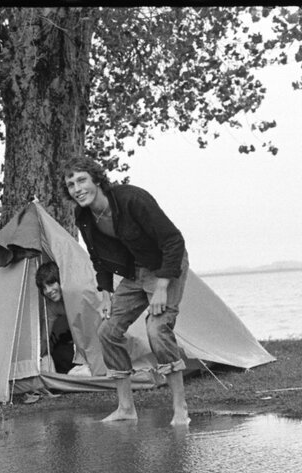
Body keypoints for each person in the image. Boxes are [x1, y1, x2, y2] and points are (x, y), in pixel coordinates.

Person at [60, 155, 191, 426]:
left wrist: (162, 287)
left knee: (157, 330)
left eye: (82, 180)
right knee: (107, 331)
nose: (77, 188)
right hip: (134, 272)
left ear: (97, 180)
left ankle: (180, 409)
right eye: (71, 184)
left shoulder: (132, 199)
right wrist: (106, 294)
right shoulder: (83, 215)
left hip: (165, 266)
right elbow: (98, 257)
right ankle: (126, 408)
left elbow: (174, 241)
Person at [35, 260, 75, 375]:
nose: (48, 290)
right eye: (44, 288)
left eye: (51, 283)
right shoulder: (52, 305)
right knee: (59, 354)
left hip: (92, 343)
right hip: (73, 345)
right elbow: (45, 337)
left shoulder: (75, 294)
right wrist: (38, 358)